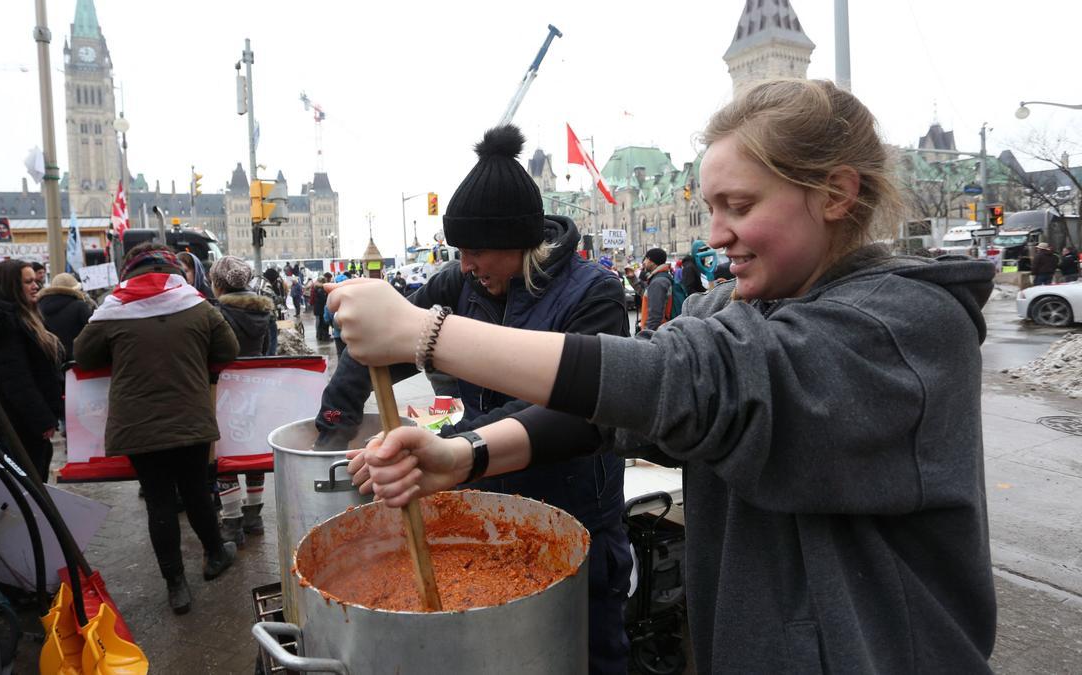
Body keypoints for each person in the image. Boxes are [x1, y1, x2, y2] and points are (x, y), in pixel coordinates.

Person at [332, 80, 997, 672]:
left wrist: (427, 335)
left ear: (835, 193)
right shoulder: (730, 307)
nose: (716, 234)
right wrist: (464, 454)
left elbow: (686, 382)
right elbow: (620, 407)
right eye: (710, 208)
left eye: (738, 205)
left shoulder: (906, 326)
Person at [316, 124, 632, 674]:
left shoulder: (593, 294)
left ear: (519, 242)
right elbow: (375, 346)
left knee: (586, 653)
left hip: (577, 511)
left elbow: (574, 413)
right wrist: (332, 426)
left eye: (477, 250)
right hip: (486, 502)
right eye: (459, 251)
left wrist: (459, 450)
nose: (465, 264)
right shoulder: (457, 287)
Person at [73, 243, 239, 615]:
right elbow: (228, 349)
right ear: (171, 270)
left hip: (138, 424)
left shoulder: (113, 309)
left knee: (159, 500)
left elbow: (83, 355)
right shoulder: (196, 304)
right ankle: (215, 556)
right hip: (190, 418)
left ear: (128, 271)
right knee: (197, 491)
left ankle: (176, 585)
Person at [0, 260, 63, 482]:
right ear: (10, 287)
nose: (36, 286)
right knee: (29, 483)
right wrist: (42, 419)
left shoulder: (22, 318)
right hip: (18, 425)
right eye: (28, 282)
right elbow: (16, 380)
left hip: (20, 423)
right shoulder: (5, 324)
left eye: (35, 281)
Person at [208, 255, 273, 547]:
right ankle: (254, 517)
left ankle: (232, 523)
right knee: (253, 452)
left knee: (227, 455)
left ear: (218, 283)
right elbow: (272, 353)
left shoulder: (215, 314)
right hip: (258, 390)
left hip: (225, 392)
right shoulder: (266, 312)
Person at [36, 273, 93, 362]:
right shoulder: (80, 306)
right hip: (77, 361)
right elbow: (92, 332)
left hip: (50, 361)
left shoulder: (38, 307)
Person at [639, 247, 674, 331]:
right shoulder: (660, 278)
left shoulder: (658, 282)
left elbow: (655, 316)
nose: (644, 262)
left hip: (656, 333)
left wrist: (646, 336)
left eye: (646, 259)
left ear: (652, 261)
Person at [313, 272, 332, 341]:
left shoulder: (317, 288)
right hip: (321, 309)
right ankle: (322, 336)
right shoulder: (320, 289)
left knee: (320, 323)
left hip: (319, 308)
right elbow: (323, 299)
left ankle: (320, 335)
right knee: (322, 323)